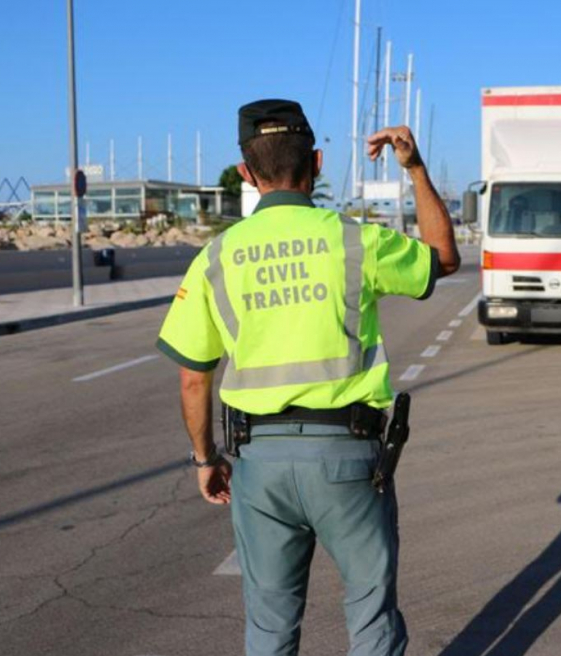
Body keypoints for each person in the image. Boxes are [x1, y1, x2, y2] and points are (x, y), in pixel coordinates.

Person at [155, 99, 459, 656]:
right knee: (371, 617)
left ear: (247, 172)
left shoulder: (216, 258)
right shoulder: (355, 241)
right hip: (348, 459)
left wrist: (205, 460)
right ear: (316, 163)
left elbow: (194, 379)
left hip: (258, 465)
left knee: (270, 629)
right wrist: (414, 168)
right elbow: (443, 254)